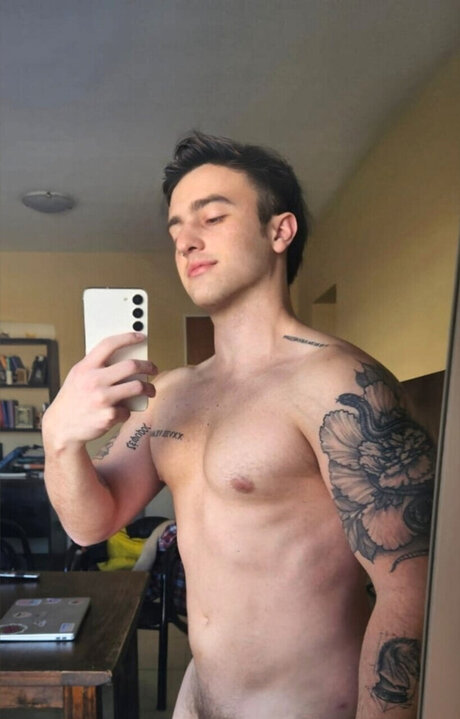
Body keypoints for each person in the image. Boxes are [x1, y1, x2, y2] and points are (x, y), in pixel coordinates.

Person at [43, 131, 434, 719]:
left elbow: (415, 590)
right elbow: (89, 523)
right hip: (197, 700)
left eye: (212, 217)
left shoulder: (339, 385)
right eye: (176, 229)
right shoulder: (169, 393)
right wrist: (60, 440)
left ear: (280, 231)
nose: (186, 241)